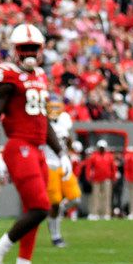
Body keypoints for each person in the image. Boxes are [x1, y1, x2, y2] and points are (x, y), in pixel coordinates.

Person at [0, 24, 69, 264]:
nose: (30, 53)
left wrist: (61, 152)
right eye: (25, 48)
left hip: (38, 148)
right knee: (41, 207)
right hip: (18, 146)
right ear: (16, 50)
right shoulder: (8, 75)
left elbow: (44, 121)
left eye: (34, 48)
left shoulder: (41, 76)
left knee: (35, 210)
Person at [43, 100, 80, 246]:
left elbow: (66, 139)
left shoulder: (65, 120)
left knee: (75, 198)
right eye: (52, 107)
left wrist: (71, 147)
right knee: (55, 202)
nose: (54, 110)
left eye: (56, 107)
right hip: (50, 164)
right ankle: (56, 236)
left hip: (63, 164)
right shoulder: (43, 122)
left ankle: (56, 213)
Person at [84, 139, 116, 220]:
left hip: (106, 179)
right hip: (96, 179)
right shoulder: (94, 156)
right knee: (95, 197)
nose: (102, 149)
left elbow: (113, 168)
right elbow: (89, 167)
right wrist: (88, 177)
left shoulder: (109, 156)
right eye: (100, 147)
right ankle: (94, 213)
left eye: (103, 147)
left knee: (106, 197)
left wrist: (113, 177)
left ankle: (106, 213)